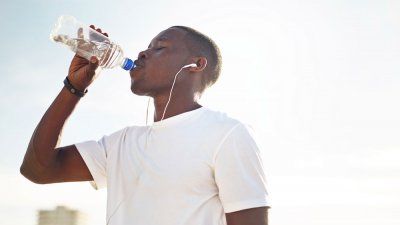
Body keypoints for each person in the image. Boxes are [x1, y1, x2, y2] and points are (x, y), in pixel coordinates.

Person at [20, 25, 270, 225]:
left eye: (160, 48)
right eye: (147, 47)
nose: (142, 53)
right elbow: (38, 170)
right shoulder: (122, 143)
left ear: (196, 65)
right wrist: (73, 87)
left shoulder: (227, 134)